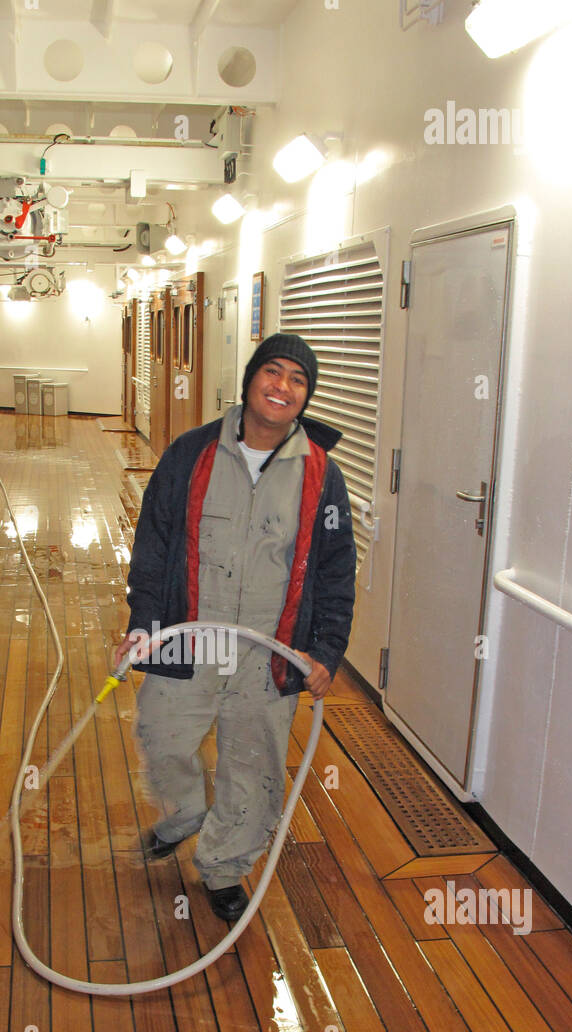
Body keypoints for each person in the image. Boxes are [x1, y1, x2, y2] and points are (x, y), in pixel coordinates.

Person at [115, 332, 356, 922]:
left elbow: (335, 569)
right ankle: (186, 814)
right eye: (273, 372)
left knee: (253, 767)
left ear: (306, 397)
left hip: (269, 651)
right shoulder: (190, 454)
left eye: (298, 380)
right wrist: (145, 624)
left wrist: (324, 649)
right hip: (190, 639)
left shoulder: (322, 475)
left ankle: (223, 869)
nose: (283, 387)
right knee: (162, 737)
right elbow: (154, 544)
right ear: (250, 380)